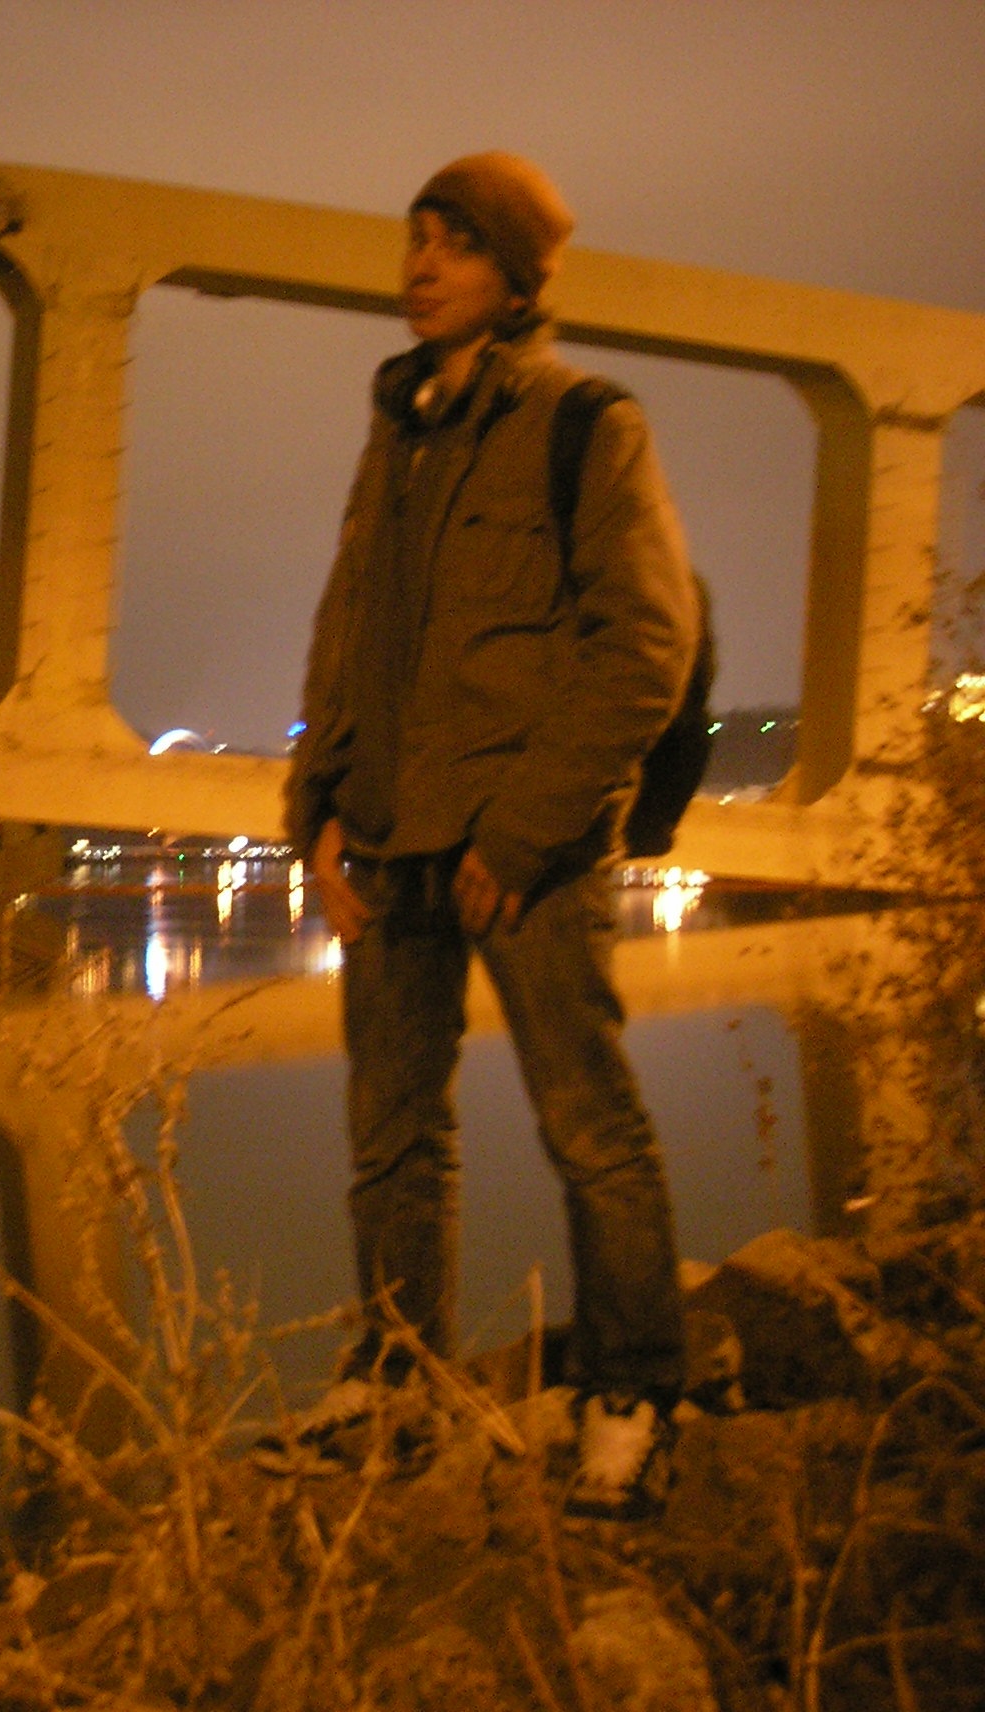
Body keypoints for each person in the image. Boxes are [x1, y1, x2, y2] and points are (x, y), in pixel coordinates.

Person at [279, 152, 701, 1519]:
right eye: (414, 238)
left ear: (518, 280)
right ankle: (397, 1388)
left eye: (455, 244)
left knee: (590, 1130)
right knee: (391, 1141)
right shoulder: (395, 431)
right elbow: (347, 631)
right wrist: (315, 812)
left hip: (526, 853)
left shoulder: (587, 423)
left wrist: (522, 836)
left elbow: (645, 646)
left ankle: (632, 1395)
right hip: (390, 838)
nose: (420, 266)